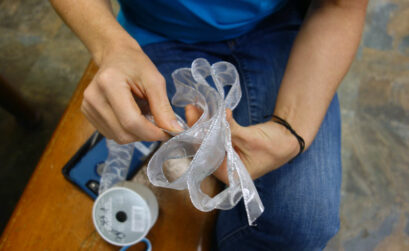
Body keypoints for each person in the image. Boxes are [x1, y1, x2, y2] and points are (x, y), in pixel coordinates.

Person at [50, 0, 368, 250]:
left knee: (303, 221)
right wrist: (111, 47)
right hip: (156, 33)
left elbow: (341, 5)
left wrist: (291, 131)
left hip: (281, 27)